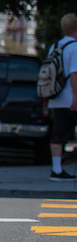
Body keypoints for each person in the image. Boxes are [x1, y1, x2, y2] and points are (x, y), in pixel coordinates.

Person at [46, 13, 77, 181]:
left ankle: (56, 170)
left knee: (58, 135)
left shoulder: (54, 46)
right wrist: (76, 96)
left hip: (55, 98)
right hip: (71, 98)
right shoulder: (75, 47)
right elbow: (74, 75)